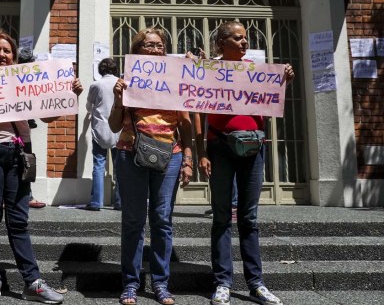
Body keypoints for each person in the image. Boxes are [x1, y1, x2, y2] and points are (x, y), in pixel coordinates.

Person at [0, 29, 83, 304]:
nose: (1, 55)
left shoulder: (25, 81)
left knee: (19, 220)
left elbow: (47, 116)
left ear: (13, 56)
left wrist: (69, 95)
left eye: (6, 51)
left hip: (19, 153)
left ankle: (32, 282)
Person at [194, 21, 294, 305]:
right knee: (222, 217)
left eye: (245, 39)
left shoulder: (255, 69)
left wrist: (286, 77)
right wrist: (202, 151)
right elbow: (198, 111)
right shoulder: (209, 71)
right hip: (220, 147)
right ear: (221, 42)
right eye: (237, 39)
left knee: (248, 218)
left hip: (253, 148)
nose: (244, 43)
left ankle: (256, 283)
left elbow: (274, 93)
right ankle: (223, 282)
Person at [108, 28, 193, 305]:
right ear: (137, 50)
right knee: (133, 221)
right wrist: (119, 100)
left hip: (170, 155)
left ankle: (160, 283)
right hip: (130, 153)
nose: (155, 49)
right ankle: (130, 284)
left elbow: (186, 124)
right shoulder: (127, 80)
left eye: (160, 45)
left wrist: (189, 158)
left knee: (162, 221)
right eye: (149, 45)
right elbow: (113, 125)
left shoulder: (175, 79)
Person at [84, 57, 121, 211]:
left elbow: (89, 105)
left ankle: (96, 202)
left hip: (100, 128)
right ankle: (120, 201)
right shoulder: (121, 83)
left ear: (101, 70)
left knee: (99, 165)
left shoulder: (96, 85)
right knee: (120, 167)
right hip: (118, 129)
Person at [17, 46, 46, 210]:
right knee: (22, 163)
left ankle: (27, 195)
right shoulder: (10, 77)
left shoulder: (31, 79)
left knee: (27, 162)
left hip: (23, 130)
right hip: (10, 131)